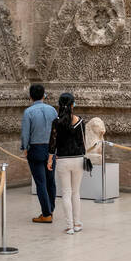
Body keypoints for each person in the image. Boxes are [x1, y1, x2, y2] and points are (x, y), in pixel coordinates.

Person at [48, 92, 89, 235]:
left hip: (62, 160)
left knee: (66, 193)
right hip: (78, 159)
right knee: (76, 193)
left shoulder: (56, 122)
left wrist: (49, 160)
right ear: (72, 105)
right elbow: (83, 143)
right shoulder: (80, 121)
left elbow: (52, 144)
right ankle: (77, 223)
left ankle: (69, 226)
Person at [20, 83, 57, 223]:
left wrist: (24, 147)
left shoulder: (28, 112)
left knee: (40, 182)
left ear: (30, 96)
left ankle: (46, 213)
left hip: (35, 148)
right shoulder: (52, 110)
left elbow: (25, 133)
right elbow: (56, 132)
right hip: (51, 149)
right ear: (44, 95)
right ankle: (50, 209)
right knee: (50, 181)